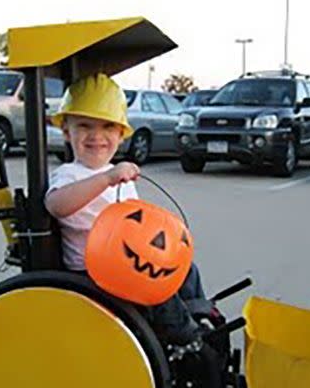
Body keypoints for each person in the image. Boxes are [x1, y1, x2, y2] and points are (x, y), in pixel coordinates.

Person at [45, 73, 208, 343]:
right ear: (66, 132)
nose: (96, 136)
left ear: (120, 135)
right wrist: (106, 179)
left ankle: (200, 313)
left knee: (183, 267)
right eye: (85, 126)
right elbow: (57, 206)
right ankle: (186, 338)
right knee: (154, 283)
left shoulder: (117, 173)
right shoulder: (69, 174)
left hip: (122, 263)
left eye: (108, 127)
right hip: (93, 271)